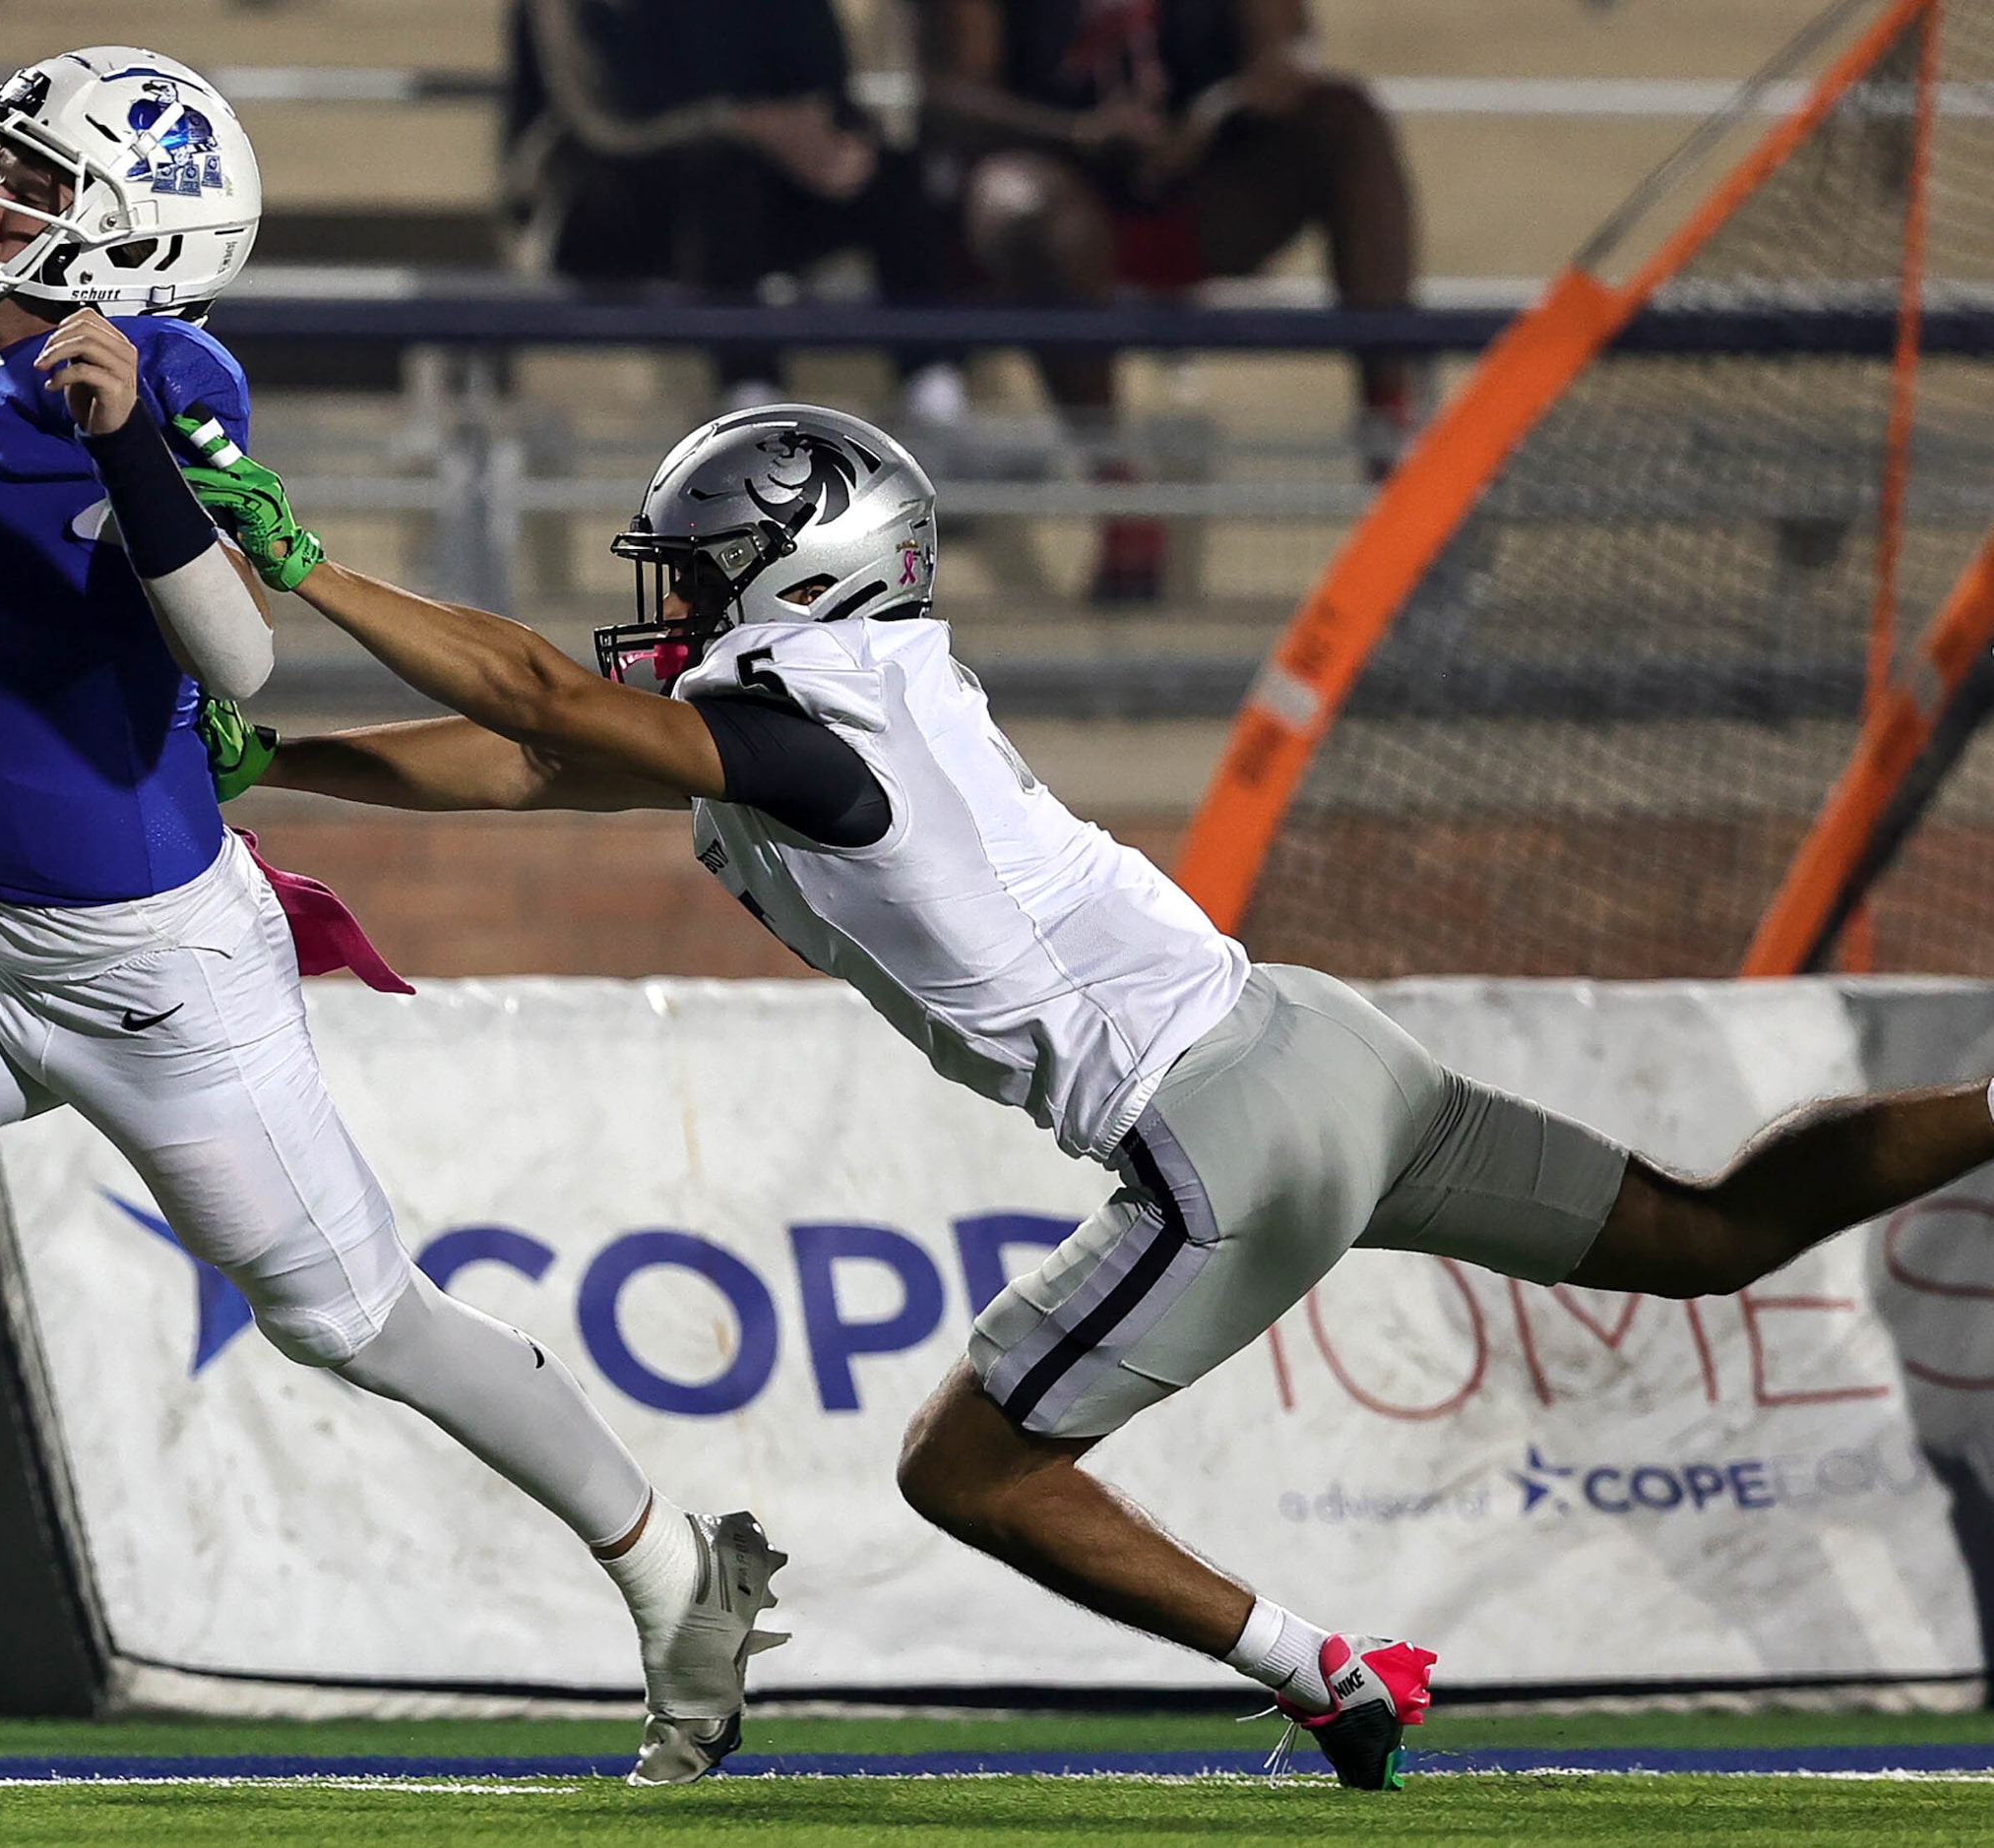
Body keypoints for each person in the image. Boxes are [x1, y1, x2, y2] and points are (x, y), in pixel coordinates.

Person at [175, 401, 1994, 1788]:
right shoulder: (805, 709)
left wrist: (305, 564)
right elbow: (522, 768)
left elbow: (544, 710)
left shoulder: (814, 717)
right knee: (1707, 1231)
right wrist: (286, 755)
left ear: (800, 568)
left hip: (1226, 1123)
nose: (673, 598)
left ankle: (1328, 1672)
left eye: (701, 567)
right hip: (1316, 1042)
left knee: (966, 1466)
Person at [0, 48, 782, 1788]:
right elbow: (1, 563)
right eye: (5, 169)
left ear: (129, 242)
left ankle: (676, 1569)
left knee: (365, 1322)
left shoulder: (165, 372)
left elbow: (238, 652)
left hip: (160, 975)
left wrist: (125, 439)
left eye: (36, 184)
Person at [916, 0, 1418, 599]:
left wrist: (1218, 112)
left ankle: (1392, 438)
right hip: (1057, 187)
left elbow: (1285, 47)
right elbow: (949, 98)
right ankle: (1117, 484)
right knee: (1021, 205)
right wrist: (1079, 135)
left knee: (1348, 118)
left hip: (1198, 184)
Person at [504, 0, 966, 418]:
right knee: (721, 168)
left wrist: (832, 146)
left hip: (751, 201)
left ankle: (935, 391)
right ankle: (750, 396)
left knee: (894, 173)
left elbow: (824, 89)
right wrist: (738, 124)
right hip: (611, 201)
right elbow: (603, 125)